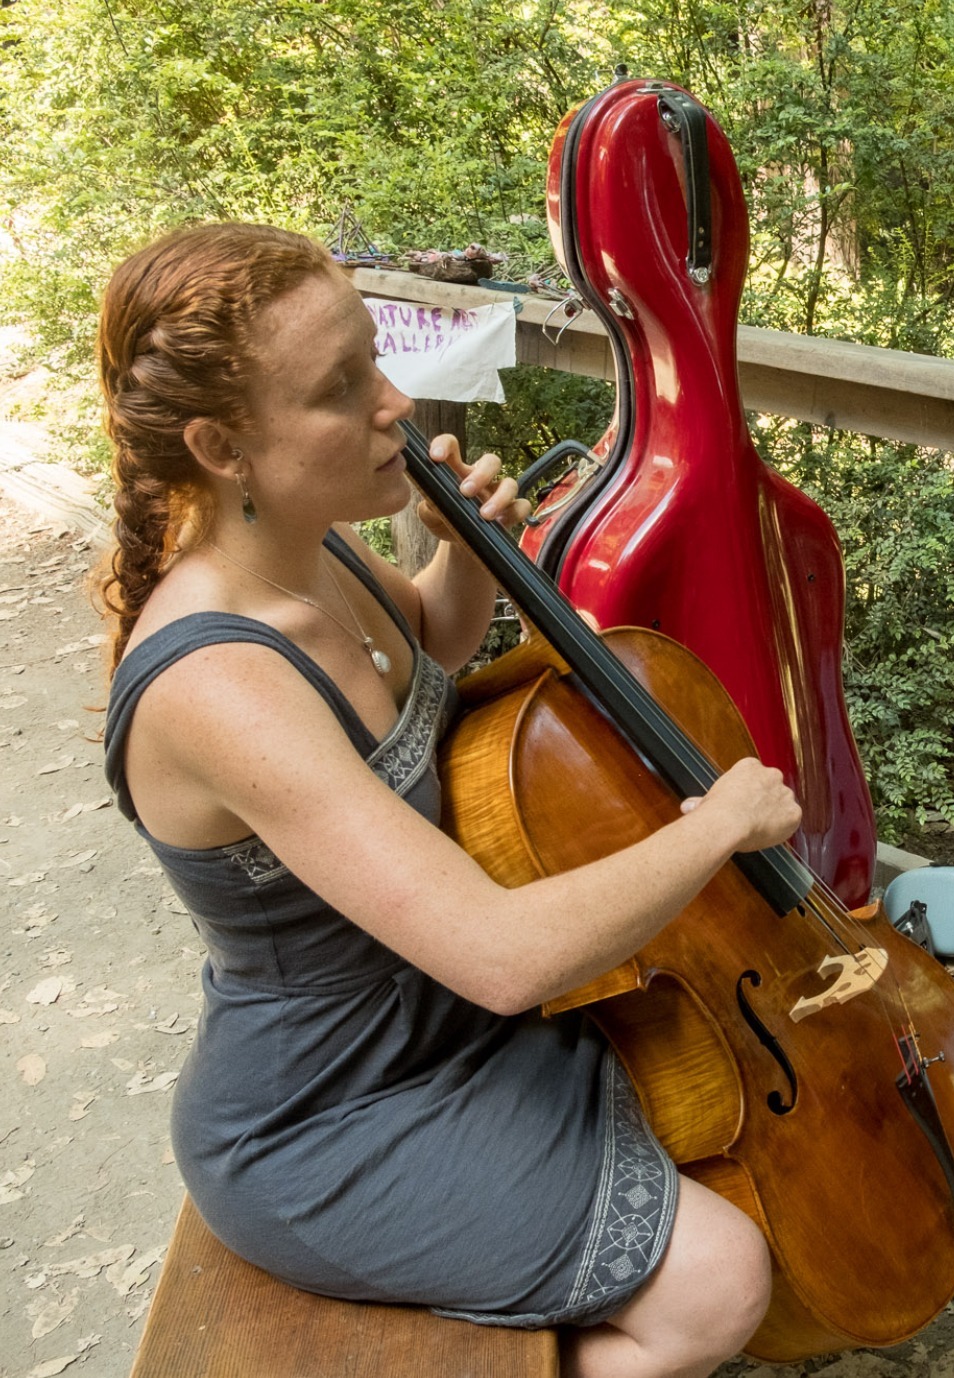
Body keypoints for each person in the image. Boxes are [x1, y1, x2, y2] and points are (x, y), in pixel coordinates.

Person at [97, 222, 796, 1378]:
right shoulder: (219, 682)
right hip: (331, 1112)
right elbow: (502, 956)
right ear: (224, 447)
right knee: (719, 1286)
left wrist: (465, 554)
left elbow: (429, 643)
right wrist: (715, 826)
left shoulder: (308, 546)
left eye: (376, 357)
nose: (394, 402)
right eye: (341, 391)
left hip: (451, 1026)